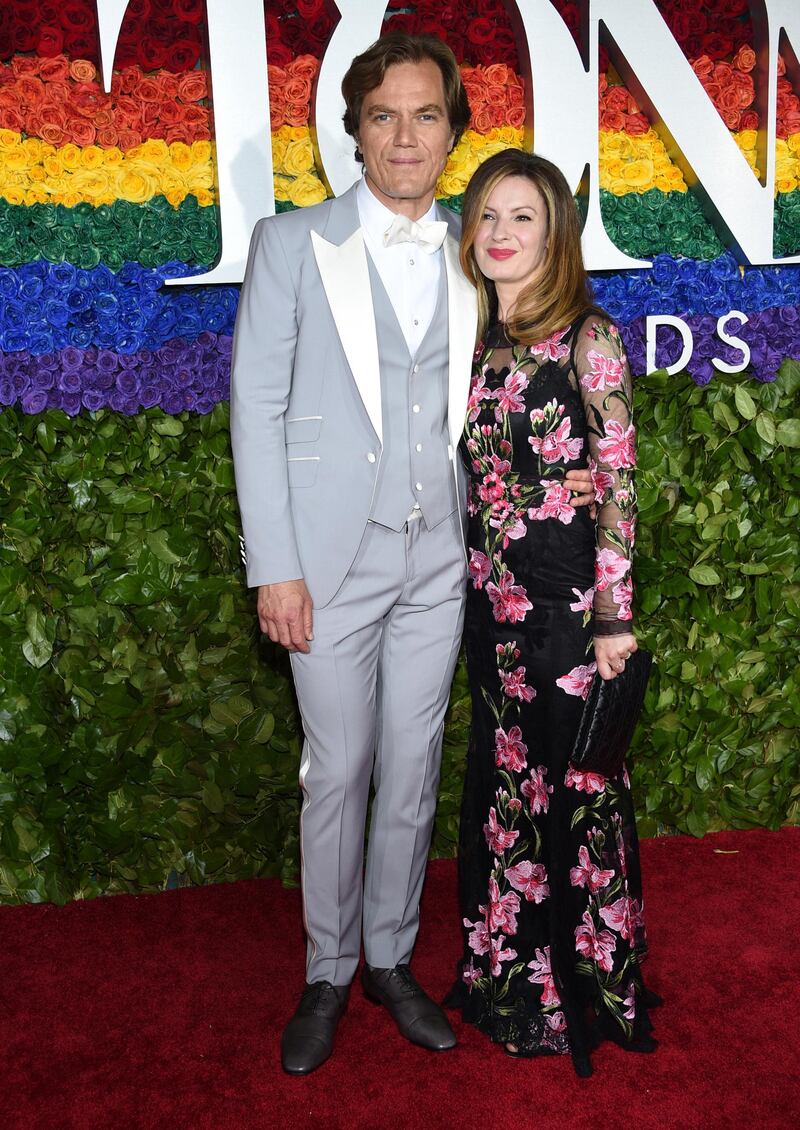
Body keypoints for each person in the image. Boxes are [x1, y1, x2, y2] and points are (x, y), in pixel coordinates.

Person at [230, 37, 594, 1076]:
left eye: (424, 115)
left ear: (450, 132)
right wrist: (275, 565)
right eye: (382, 114)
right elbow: (255, 410)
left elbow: (542, 371)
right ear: (351, 129)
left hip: (440, 560)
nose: (403, 135)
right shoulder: (291, 243)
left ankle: (390, 957)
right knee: (336, 769)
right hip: (327, 564)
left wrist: (574, 484)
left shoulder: (471, 249)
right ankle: (325, 968)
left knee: (410, 774)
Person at [446, 148, 657, 1077]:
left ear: (556, 231)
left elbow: (618, 485)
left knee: (576, 783)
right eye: (487, 215)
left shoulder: (589, 337)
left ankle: (585, 978)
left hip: (568, 605)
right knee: (506, 783)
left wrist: (615, 617)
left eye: (522, 216)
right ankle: (509, 975)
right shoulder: (467, 341)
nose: (500, 234)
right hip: (488, 609)